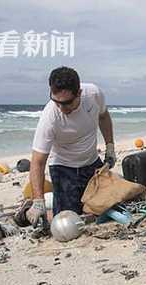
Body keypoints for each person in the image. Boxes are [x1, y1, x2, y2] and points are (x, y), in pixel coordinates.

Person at [26, 66, 116, 225]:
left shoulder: (93, 94)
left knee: (106, 209)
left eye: (67, 103)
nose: (61, 108)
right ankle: (31, 210)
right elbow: (37, 162)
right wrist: (38, 200)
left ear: (79, 93)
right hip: (63, 167)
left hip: (92, 163)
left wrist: (110, 147)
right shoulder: (50, 117)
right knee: (67, 220)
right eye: (56, 102)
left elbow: (103, 117)